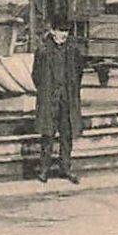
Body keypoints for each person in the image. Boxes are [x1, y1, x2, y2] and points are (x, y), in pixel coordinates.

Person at [33, 20, 83, 184]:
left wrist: (72, 89)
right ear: (52, 31)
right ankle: (44, 170)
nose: (64, 34)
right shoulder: (43, 50)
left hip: (67, 98)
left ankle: (66, 168)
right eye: (60, 30)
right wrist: (45, 90)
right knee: (47, 134)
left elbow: (79, 71)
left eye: (66, 31)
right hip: (49, 97)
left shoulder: (73, 50)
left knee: (66, 134)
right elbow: (36, 75)